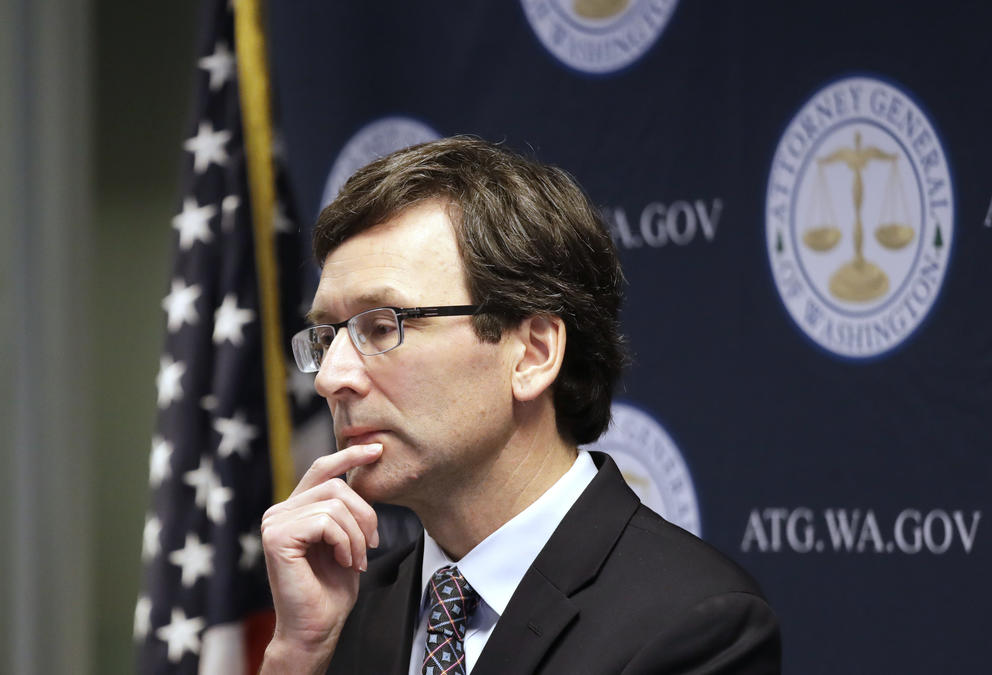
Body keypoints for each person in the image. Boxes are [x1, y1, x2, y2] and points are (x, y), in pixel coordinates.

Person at [260, 136, 781, 674]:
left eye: (382, 325)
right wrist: (297, 655)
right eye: (327, 337)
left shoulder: (693, 624)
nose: (330, 377)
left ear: (532, 353)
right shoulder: (340, 613)